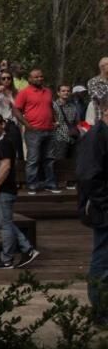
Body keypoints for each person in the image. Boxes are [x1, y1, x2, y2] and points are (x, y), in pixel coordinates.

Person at [0, 113, 40, 270]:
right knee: (3, 222)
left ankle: (7, 259)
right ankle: (27, 249)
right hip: (0, 189)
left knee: (5, 225)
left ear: (2, 124)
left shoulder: (4, 143)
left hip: (4, 190)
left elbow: (6, 166)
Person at [76, 97, 108, 327]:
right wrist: (105, 202)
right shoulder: (96, 136)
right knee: (103, 260)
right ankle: (100, 310)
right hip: (103, 209)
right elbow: (88, 176)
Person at [14, 69, 60, 194]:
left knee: (49, 158)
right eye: (36, 77)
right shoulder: (24, 92)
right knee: (33, 159)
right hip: (33, 130)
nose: (40, 78)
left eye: (41, 76)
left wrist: (56, 120)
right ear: (30, 79)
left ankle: (50, 183)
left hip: (49, 130)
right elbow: (16, 110)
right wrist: (26, 124)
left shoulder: (48, 91)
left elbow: (50, 107)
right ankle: (32, 184)